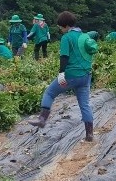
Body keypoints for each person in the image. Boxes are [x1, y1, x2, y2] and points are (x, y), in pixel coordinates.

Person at [28, 11, 99, 142]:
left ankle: (42, 119)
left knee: (49, 92)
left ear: (65, 26)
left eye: (61, 27)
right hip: (86, 76)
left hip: (71, 75)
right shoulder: (83, 36)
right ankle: (89, 134)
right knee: (85, 104)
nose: (60, 30)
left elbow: (64, 57)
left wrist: (61, 74)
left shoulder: (66, 38)